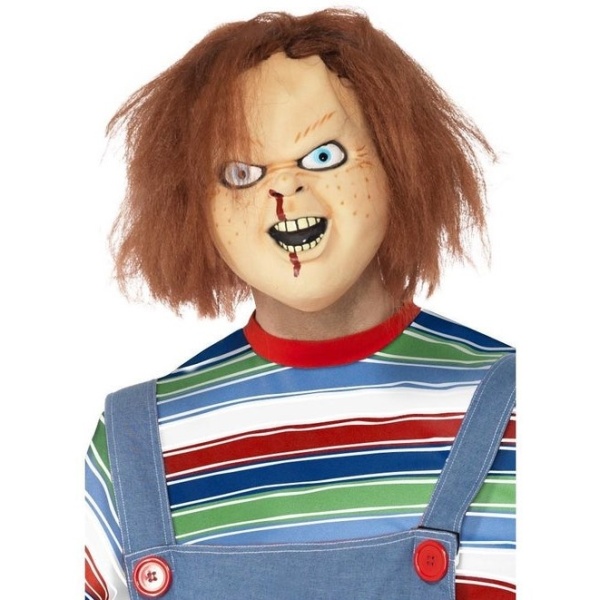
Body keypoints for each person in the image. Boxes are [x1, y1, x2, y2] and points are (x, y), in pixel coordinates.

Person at [84, 9, 515, 600]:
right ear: (190, 205)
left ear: (400, 162)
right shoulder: (135, 444)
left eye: (324, 156)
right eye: (241, 172)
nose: (283, 188)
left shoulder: (525, 412)